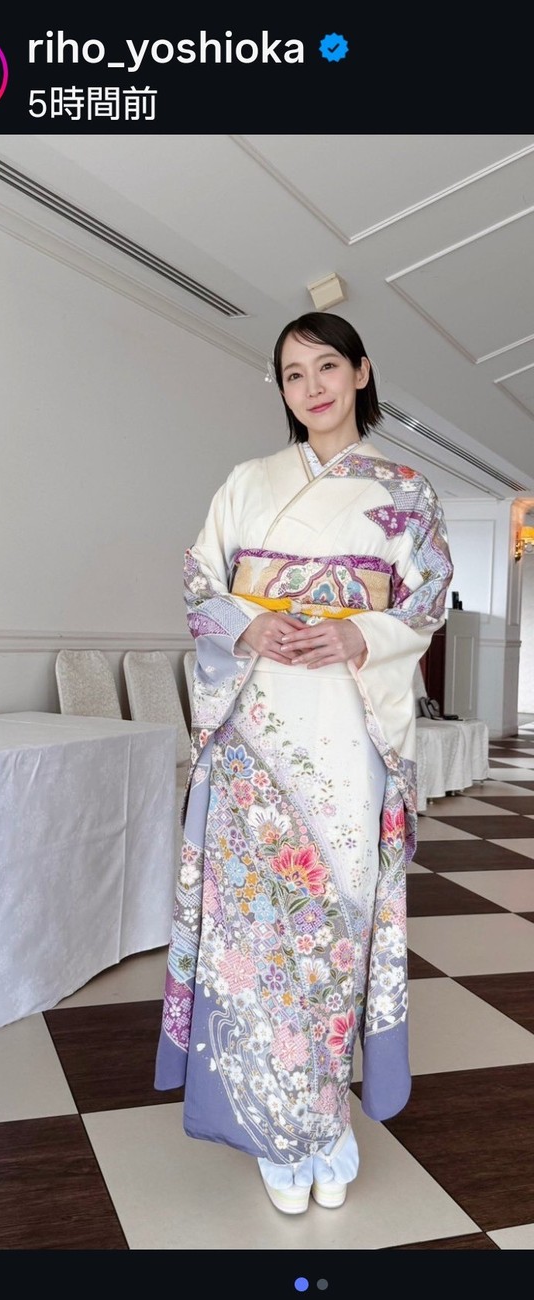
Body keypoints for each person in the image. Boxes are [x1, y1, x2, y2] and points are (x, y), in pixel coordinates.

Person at [154, 311, 454, 1215]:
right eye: (293, 374)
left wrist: (362, 635)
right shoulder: (248, 483)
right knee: (255, 935)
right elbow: (200, 581)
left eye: (328, 366)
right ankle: (276, 1125)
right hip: (256, 732)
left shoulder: (407, 491)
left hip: (346, 733)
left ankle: (326, 1118)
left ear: (361, 372)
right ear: (282, 390)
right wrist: (249, 624)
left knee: (336, 929)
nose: (312, 386)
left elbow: (429, 596)